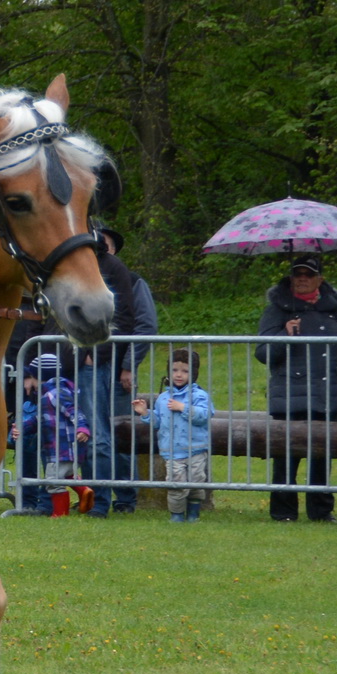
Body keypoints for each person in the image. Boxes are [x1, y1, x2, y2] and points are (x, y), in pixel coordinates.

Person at [253, 253, 337, 522]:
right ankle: (283, 511)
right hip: (290, 393)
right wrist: (285, 335)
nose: (302, 279)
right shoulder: (278, 308)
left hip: (327, 393)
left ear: (319, 279)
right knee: (286, 455)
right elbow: (263, 352)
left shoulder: (333, 308)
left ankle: (321, 511)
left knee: (323, 455)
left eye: (308, 274)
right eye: (297, 274)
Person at [73, 224, 138, 517]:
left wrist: (94, 353)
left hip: (93, 362)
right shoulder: (67, 262)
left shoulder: (112, 266)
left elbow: (124, 316)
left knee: (97, 434)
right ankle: (74, 498)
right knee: (73, 432)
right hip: (64, 360)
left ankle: (99, 502)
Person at [96, 226, 156, 513]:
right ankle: (96, 495)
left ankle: (125, 498)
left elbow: (146, 326)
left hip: (118, 370)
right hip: (89, 365)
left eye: (104, 242)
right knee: (93, 431)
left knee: (120, 431)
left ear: (114, 248)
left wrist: (128, 366)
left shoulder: (131, 281)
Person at [132, 348, 213, 522]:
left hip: (196, 449)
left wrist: (183, 408)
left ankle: (193, 513)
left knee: (196, 483)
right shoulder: (163, 398)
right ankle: (176, 515)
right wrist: (145, 413)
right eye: (175, 370)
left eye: (185, 371)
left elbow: (206, 415)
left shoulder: (199, 395)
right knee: (176, 485)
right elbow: (158, 422)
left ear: (194, 373)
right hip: (173, 451)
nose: (179, 375)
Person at [14, 348, 91, 515]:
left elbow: (74, 411)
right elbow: (39, 421)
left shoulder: (54, 394)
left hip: (61, 447)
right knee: (65, 474)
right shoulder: (52, 393)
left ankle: (60, 513)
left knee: (54, 481)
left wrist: (82, 427)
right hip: (62, 447)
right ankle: (84, 491)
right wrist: (22, 428)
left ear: (38, 377)